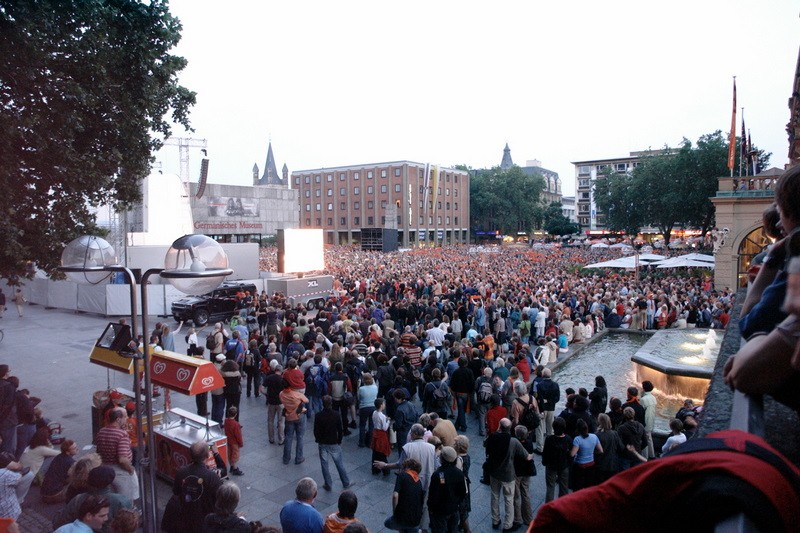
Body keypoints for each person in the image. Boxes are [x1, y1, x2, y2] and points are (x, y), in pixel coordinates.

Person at [484, 418, 533, 532]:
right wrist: (532, 455)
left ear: (499, 426)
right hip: (508, 474)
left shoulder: (493, 436)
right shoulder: (513, 441)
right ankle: (508, 524)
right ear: (510, 428)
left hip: (494, 472)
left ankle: (495, 520)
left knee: (495, 496)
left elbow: (485, 444)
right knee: (509, 499)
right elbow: (527, 456)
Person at [52, 465, 133, 533]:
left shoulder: (78, 499)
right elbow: (129, 524)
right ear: (110, 481)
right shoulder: (122, 500)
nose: (106, 518)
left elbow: (59, 522)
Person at [165, 440, 224, 533]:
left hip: (186, 519)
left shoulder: (181, 472)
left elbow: (176, 492)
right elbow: (220, 500)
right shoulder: (212, 477)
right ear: (207, 456)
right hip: (205, 522)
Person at [94, 408, 138, 502]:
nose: (126, 418)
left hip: (105, 467)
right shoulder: (122, 435)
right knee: (125, 499)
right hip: (120, 471)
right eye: (125, 416)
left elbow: (98, 452)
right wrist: (130, 469)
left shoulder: (101, 431)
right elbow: (122, 459)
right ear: (118, 419)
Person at [313, 396, 351, 491]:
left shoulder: (318, 415)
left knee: (324, 464)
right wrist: (339, 440)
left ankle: (328, 483)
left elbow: (315, 430)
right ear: (331, 404)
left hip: (322, 442)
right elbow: (340, 429)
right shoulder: (336, 414)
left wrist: (318, 439)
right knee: (339, 463)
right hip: (334, 442)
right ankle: (346, 482)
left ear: (322, 404)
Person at [426, 446, 466, 533]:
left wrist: (431, 507)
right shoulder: (459, 473)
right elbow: (463, 492)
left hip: (440, 511)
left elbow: (434, 494)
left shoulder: (439, 474)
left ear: (442, 459)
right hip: (454, 508)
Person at [383, 458, 424, 533]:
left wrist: (395, 513)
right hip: (415, 520)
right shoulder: (419, 482)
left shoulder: (403, 476)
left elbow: (395, 495)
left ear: (408, 467)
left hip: (402, 517)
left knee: (387, 523)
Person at [541, 417, 571, 503]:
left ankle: (549, 505)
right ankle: (563, 504)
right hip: (563, 465)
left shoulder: (549, 439)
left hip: (551, 465)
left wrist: (544, 462)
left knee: (550, 487)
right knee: (564, 487)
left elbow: (545, 452)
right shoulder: (568, 439)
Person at [512, 425, 536, 529]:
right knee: (525, 493)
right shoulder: (529, 443)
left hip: (517, 472)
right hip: (527, 471)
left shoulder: (514, 444)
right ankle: (528, 518)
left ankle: (518, 518)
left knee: (516, 495)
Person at [40, 439, 78, 504]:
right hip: (54, 496)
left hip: (43, 493)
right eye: (74, 448)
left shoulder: (58, 457)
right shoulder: (71, 462)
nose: (77, 449)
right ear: (67, 452)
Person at [280, 383, 309, 465]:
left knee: (288, 437)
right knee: (300, 437)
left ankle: (286, 458)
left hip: (289, 417)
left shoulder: (281, 394)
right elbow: (306, 400)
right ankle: (299, 457)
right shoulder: (297, 394)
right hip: (299, 416)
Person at [569, 419, 602, 492]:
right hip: (591, 464)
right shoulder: (594, 436)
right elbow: (600, 450)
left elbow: (572, 454)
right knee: (588, 487)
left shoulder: (577, 439)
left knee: (577, 487)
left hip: (579, 465)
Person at [594, 413, 623, 483]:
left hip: (600, 465)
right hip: (613, 464)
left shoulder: (596, 435)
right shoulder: (614, 433)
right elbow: (621, 447)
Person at [262, 363, 285, 445]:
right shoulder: (282, 380)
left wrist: (266, 394)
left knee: (270, 421)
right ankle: (281, 439)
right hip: (280, 403)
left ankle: (271, 438)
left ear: (275, 370)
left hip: (271, 402)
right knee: (281, 422)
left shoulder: (269, 378)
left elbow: (261, 388)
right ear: (281, 371)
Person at [536, 368, 560, 436]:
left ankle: (540, 445)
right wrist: (549, 401)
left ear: (542, 375)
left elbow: (537, 398)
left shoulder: (539, 385)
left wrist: (545, 401)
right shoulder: (555, 385)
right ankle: (550, 444)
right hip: (551, 408)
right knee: (551, 429)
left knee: (540, 430)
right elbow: (557, 398)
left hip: (541, 409)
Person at [371, 398, 391, 476]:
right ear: (381, 405)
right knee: (382, 453)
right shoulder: (382, 416)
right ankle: (386, 470)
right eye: (384, 404)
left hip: (375, 433)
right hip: (381, 435)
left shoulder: (374, 413)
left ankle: (375, 469)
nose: (384, 405)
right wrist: (388, 421)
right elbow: (385, 428)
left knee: (375, 453)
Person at [357, 373, 377, 448]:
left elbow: (359, 398)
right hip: (373, 406)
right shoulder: (375, 387)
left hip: (364, 407)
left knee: (362, 425)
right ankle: (370, 442)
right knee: (371, 425)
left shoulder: (361, 389)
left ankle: (361, 442)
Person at [224, 407, 244, 476]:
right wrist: (241, 443)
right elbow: (238, 435)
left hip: (228, 441)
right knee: (235, 455)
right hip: (234, 442)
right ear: (235, 414)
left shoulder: (226, 421)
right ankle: (235, 469)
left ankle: (231, 467)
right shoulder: (236, 424)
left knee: (230, 454)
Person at [639, 380, 657, 458]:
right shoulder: (653, 398)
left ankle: (645, 457)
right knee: (649, 438)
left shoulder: (643, 399)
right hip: (651, 421)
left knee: (644, 440)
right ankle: (652, 455)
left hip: (645, 422)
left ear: (643, 388)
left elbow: (641, 411)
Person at [210, 354, 227, 424]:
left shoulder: (213, 366)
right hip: (220, 390)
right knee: (220, 406)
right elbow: (226, 375)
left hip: (213, 390)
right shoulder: (221, 369)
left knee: (214, 405)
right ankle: (219, 421)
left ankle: (213, 419)